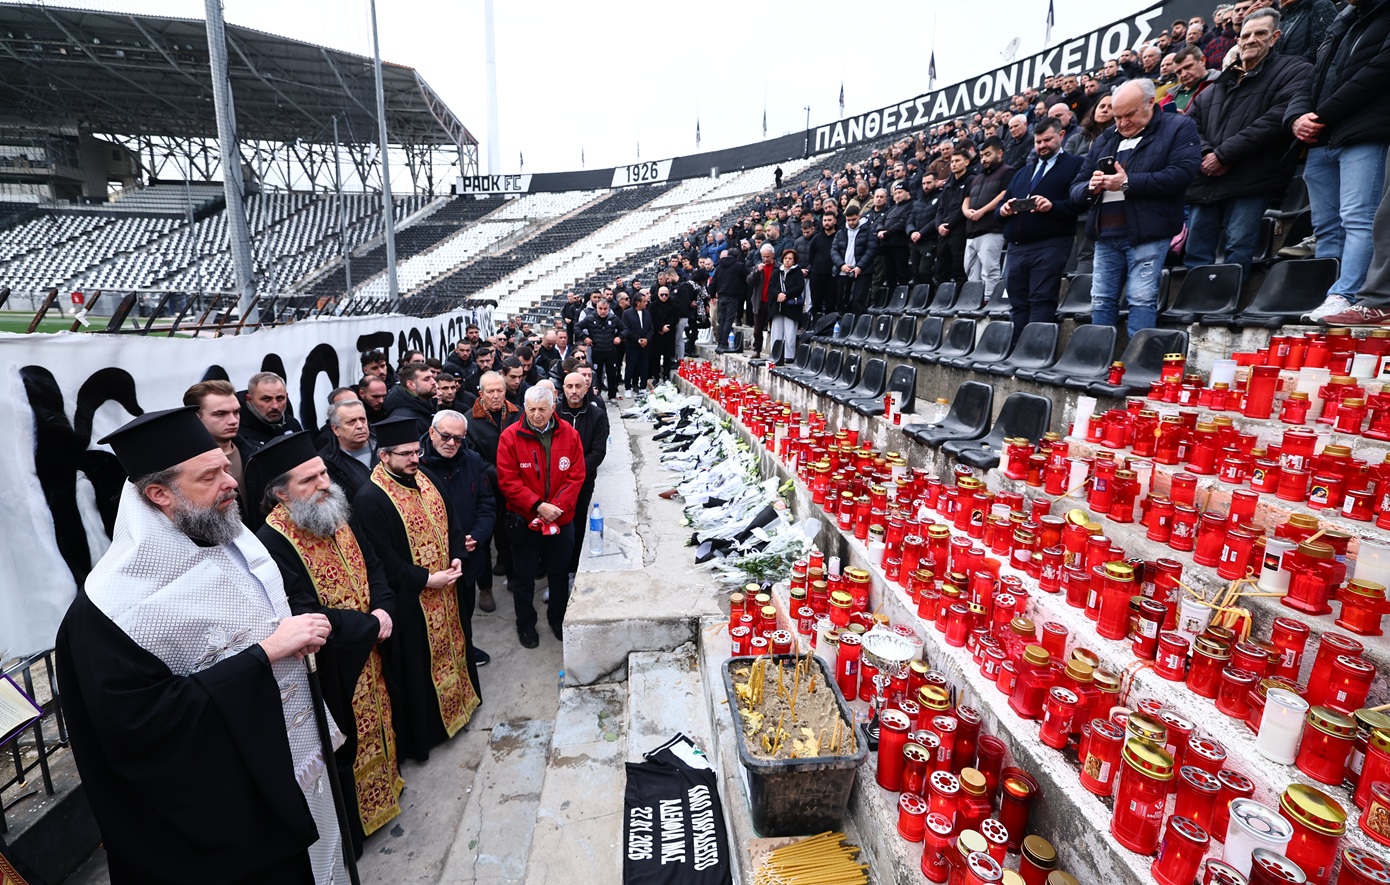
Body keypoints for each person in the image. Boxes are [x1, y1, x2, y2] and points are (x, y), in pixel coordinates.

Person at [56, 407, 338, 885]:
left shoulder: (227, 533)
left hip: (297, 760)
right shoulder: (108, 609)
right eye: (210, 476)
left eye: (226, 467)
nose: (231, 482)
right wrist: (264, 654)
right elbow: (141, 725)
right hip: (232, 817)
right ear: (159, 494)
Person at [251, 432, 402, 856]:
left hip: (371, 645)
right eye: (309, 479)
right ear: (281, 494)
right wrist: (369, 624)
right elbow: (301, 611)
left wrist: (384, 607)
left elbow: (373, 563)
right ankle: (357, 828)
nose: (323, 484)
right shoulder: (271, 542)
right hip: (332, 665)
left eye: (322, 473)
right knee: (346, 744)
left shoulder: (333, 511)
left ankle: (388, 792)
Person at [352, 416, 479, 762]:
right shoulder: (370, 498)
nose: (414, 458)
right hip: (412, 603)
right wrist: (425, 579)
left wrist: (457, 556)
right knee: (420, 669)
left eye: (416, 451)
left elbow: (453, 521)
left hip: (447, 591)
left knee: (455, 647)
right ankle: (432, 732)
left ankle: (460, 705)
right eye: (405, 454)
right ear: (384, 456)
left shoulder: (426, 477)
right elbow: (382, 559)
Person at [1184, 8, 1312, 279]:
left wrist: (1223, 155)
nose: (1251, 39)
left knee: (1238, 247)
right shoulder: (1216, 85)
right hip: (1207, 180)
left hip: (1252, 179)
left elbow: (1275, 120)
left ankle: (1228, 302)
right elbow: (1189, 126)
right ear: (1238, 40)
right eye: (1246, 35)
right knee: (1196, 253)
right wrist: (1207, 153)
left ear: (1275, 37)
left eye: (1260, 33)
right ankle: (1197, 301)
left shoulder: (1294, 70)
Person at [1285, 0, 1390, 321]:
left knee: (1359, 219)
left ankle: (1348, 294)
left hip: (1363, 132)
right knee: (1327, 226)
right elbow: (1313, 78)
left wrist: (1321, 115)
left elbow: (1379, 71)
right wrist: (1296, 117)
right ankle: (1329, 296)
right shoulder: (1342, 21)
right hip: (1323, 137)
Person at [1070, 78, 1201, 335]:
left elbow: (1182, 174)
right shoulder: (1106, 138)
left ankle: (1139, 358)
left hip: (1148, 231)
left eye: (1129, 115)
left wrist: (1127, 183)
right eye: (1117, 116)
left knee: (1141, 298)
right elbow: (1076, 186)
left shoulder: (1178, 126)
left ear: (1150, 102)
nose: (1122, 123)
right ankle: (1099, 355)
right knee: (1101, 299)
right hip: (1106, 234)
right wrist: (1090, 188)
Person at [495, 386, 586, 649]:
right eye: (532, 409)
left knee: (559, 574)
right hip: (525, 520)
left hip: (561, 519)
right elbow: (508, 480)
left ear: (553, 408)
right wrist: (537, 505)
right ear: (524, 408)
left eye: (542, 409)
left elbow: (576, 476)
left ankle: (557, 618)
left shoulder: (570, 434)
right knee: (523, 577)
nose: (536, 415)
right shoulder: (510, 437)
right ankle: (525, 623)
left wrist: (555, 507)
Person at [1000, 117, 1087, 343]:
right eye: (1038, 142)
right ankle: (1017, 351)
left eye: (1047, 140)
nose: (1042, 146)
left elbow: (1081, 203)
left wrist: (1052, 206)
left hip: (1051, 244)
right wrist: (1004, 210)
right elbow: (1001, 205)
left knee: (1041, 300)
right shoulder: (1023, 172)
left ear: (1061, 135)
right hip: (1017, 247)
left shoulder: (1075, 164)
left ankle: (1035, 351)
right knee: (1018, 304)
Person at [421, 410, 496, 658]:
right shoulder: (416, 466)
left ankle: (465, 650)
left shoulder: (473, 460)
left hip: (467, 558)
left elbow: (486, 503)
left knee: (465, 609)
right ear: (431, 432)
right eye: (446, 436)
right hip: (432, 562)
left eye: (458, 438)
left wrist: (477, 535)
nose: (452, 443)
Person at [556, 371, 608, 578]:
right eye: (569, 387)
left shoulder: (597, 415)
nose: (574, 391)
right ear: (563, 389)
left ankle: (572, 569)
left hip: (583, 481)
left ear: (586, 388)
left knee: (577, 523)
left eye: (578, 386)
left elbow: (598, 451)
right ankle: (554, 570)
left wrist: (575, 473)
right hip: (556, 481)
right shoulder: (555, 412)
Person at [963, 138, 1015, 294]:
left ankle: (989, 300)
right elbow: (966, 199)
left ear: (999, 153)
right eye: (981, 156)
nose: (984, 159)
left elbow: (1005, 194)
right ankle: (973, 301)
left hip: (992, 228)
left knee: (990, 270)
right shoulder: (977, 177)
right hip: (972, 230)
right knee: (970, 271)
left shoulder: (1007, 171)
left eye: (988, 154)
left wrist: (982, 211)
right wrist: (966, 211)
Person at [183, 379, 250, 495]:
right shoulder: (182, 465)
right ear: (196, 417)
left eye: (236, 412)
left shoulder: (256, 453)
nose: (233, 421)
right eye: (220, 414)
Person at [318, 398, 377, 500]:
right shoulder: (326, 462)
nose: (360, 426)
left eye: (362, 419)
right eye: (351, 422)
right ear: (336, 429)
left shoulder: (385, 445)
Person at [934, 149, 975, 285]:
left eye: (957, 161)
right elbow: (940, 208)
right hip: (943, 232)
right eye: (952, 161)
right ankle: (943, 297)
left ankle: (959, 295)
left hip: (958, 231)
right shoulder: (948, 184)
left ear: (967, 162)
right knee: (941, 270)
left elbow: (963, 207)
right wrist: (939, 225)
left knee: (959, 269)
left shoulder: (971, 180)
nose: (953, 164)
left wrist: (948, 225)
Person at [239, 372, 302, 451]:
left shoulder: (292, 424)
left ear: (286, 396)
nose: (275, 406)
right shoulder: (237, 432)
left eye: (280, 398)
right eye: (266, 399)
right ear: (249, 399)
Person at [832, 204, 877, 314]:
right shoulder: (841, 232)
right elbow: (834, 250)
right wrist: (841, 265)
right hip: (843, 272)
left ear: (859, 216)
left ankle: (858, 324)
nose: (851, 222)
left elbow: (871, 250)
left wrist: (860, 267)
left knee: (858, 302)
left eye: (853, 219)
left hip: (862, 272)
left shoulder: (869, 230)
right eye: (848, 220)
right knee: (841, 302)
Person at [576, 299, 623, 399]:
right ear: (596, 308)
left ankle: (612, 395)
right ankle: (597, 396)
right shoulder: (590, 318)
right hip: (597, 351)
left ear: (608, 308)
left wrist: (619, 337)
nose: (603, 311)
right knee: (597, 374)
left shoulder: (613, 318)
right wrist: (584, 337)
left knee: (611, 374)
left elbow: (625, 329)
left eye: (605, 309)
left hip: (611, 351)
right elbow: (577, 327)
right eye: (600, 308)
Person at [877, 181, 916, 292]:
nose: (897, 195)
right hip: (887, 246)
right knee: (890, 275)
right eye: (895, 193)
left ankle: (903, 297)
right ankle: (891, 298)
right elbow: (881, 220)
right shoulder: (893, 207)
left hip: (900, 245)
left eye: (900, 192)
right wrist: (880, 230)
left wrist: (886, 232)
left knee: (902, 273)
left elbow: (903, 223)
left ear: (907, 192)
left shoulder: (911, 205)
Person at [710, 247, 750, 351]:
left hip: (721, 295)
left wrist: (712, 295)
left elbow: (713, 282)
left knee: (722, 319)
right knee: (729, 319)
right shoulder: (739, 266)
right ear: (737, 256)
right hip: (733, 296)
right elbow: (747, 278)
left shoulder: (719, 267)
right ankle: (723, 343)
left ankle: (720, 342)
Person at [769, 247, 805, 359]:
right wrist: (778, 294)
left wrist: (785, 295)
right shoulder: (777, 272)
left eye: (790, 258)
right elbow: (771, 286)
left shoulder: (798, 273)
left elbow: (799, 287)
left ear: (794, 261)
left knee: (790, 333)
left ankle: (788, 356)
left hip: (791, 307)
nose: (787, 260)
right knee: (776, 332)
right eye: (785, 258)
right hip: (778, 306)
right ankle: (775, 354)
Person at [383, 363, 437, 436]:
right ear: (410, 385)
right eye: (426, 379)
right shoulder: (403, 420)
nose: (433, 382)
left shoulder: (424, 406)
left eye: (432, 377)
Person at [1165, 45, 1219, 113]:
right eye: (1179, 72)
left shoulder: (1220, 84)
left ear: (1202, 61)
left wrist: (1185, 119)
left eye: (1188, 67)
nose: (1183, 74)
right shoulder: (1169, 95)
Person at [805, 211, 839, 317]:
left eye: (829, 220)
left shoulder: (839, 237)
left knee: (830, 305)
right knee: (816, 305)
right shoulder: (816, 238)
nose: (827, 223)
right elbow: (811, 256)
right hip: (817, 276)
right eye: (825, 220)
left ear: (835, 221)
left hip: (833, 277)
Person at [621, 291, 654, 392]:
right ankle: (628, 387)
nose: (646, 303)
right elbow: (627, 329)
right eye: (644, 301)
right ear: (638, 303)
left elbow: (651, 329)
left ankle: (643, 387)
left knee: (644, 367)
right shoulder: (627, 313)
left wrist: (646, 339)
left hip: (645, 346)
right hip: (632, 345)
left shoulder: (647, 313)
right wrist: (638, 340)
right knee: (630, 367)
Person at [650, 286, 679, 381]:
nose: (664, 297)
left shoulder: (674, 305)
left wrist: (667, 328)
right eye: (662, 295)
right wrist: (661, 327)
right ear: (658, 294)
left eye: (666, 295)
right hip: (657, 334)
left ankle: (666, 375)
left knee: (667, 356)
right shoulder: (653, 306)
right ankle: (656, 376)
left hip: (669, 333)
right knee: (656, 356)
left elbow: (675, 318)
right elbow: (652, 319)